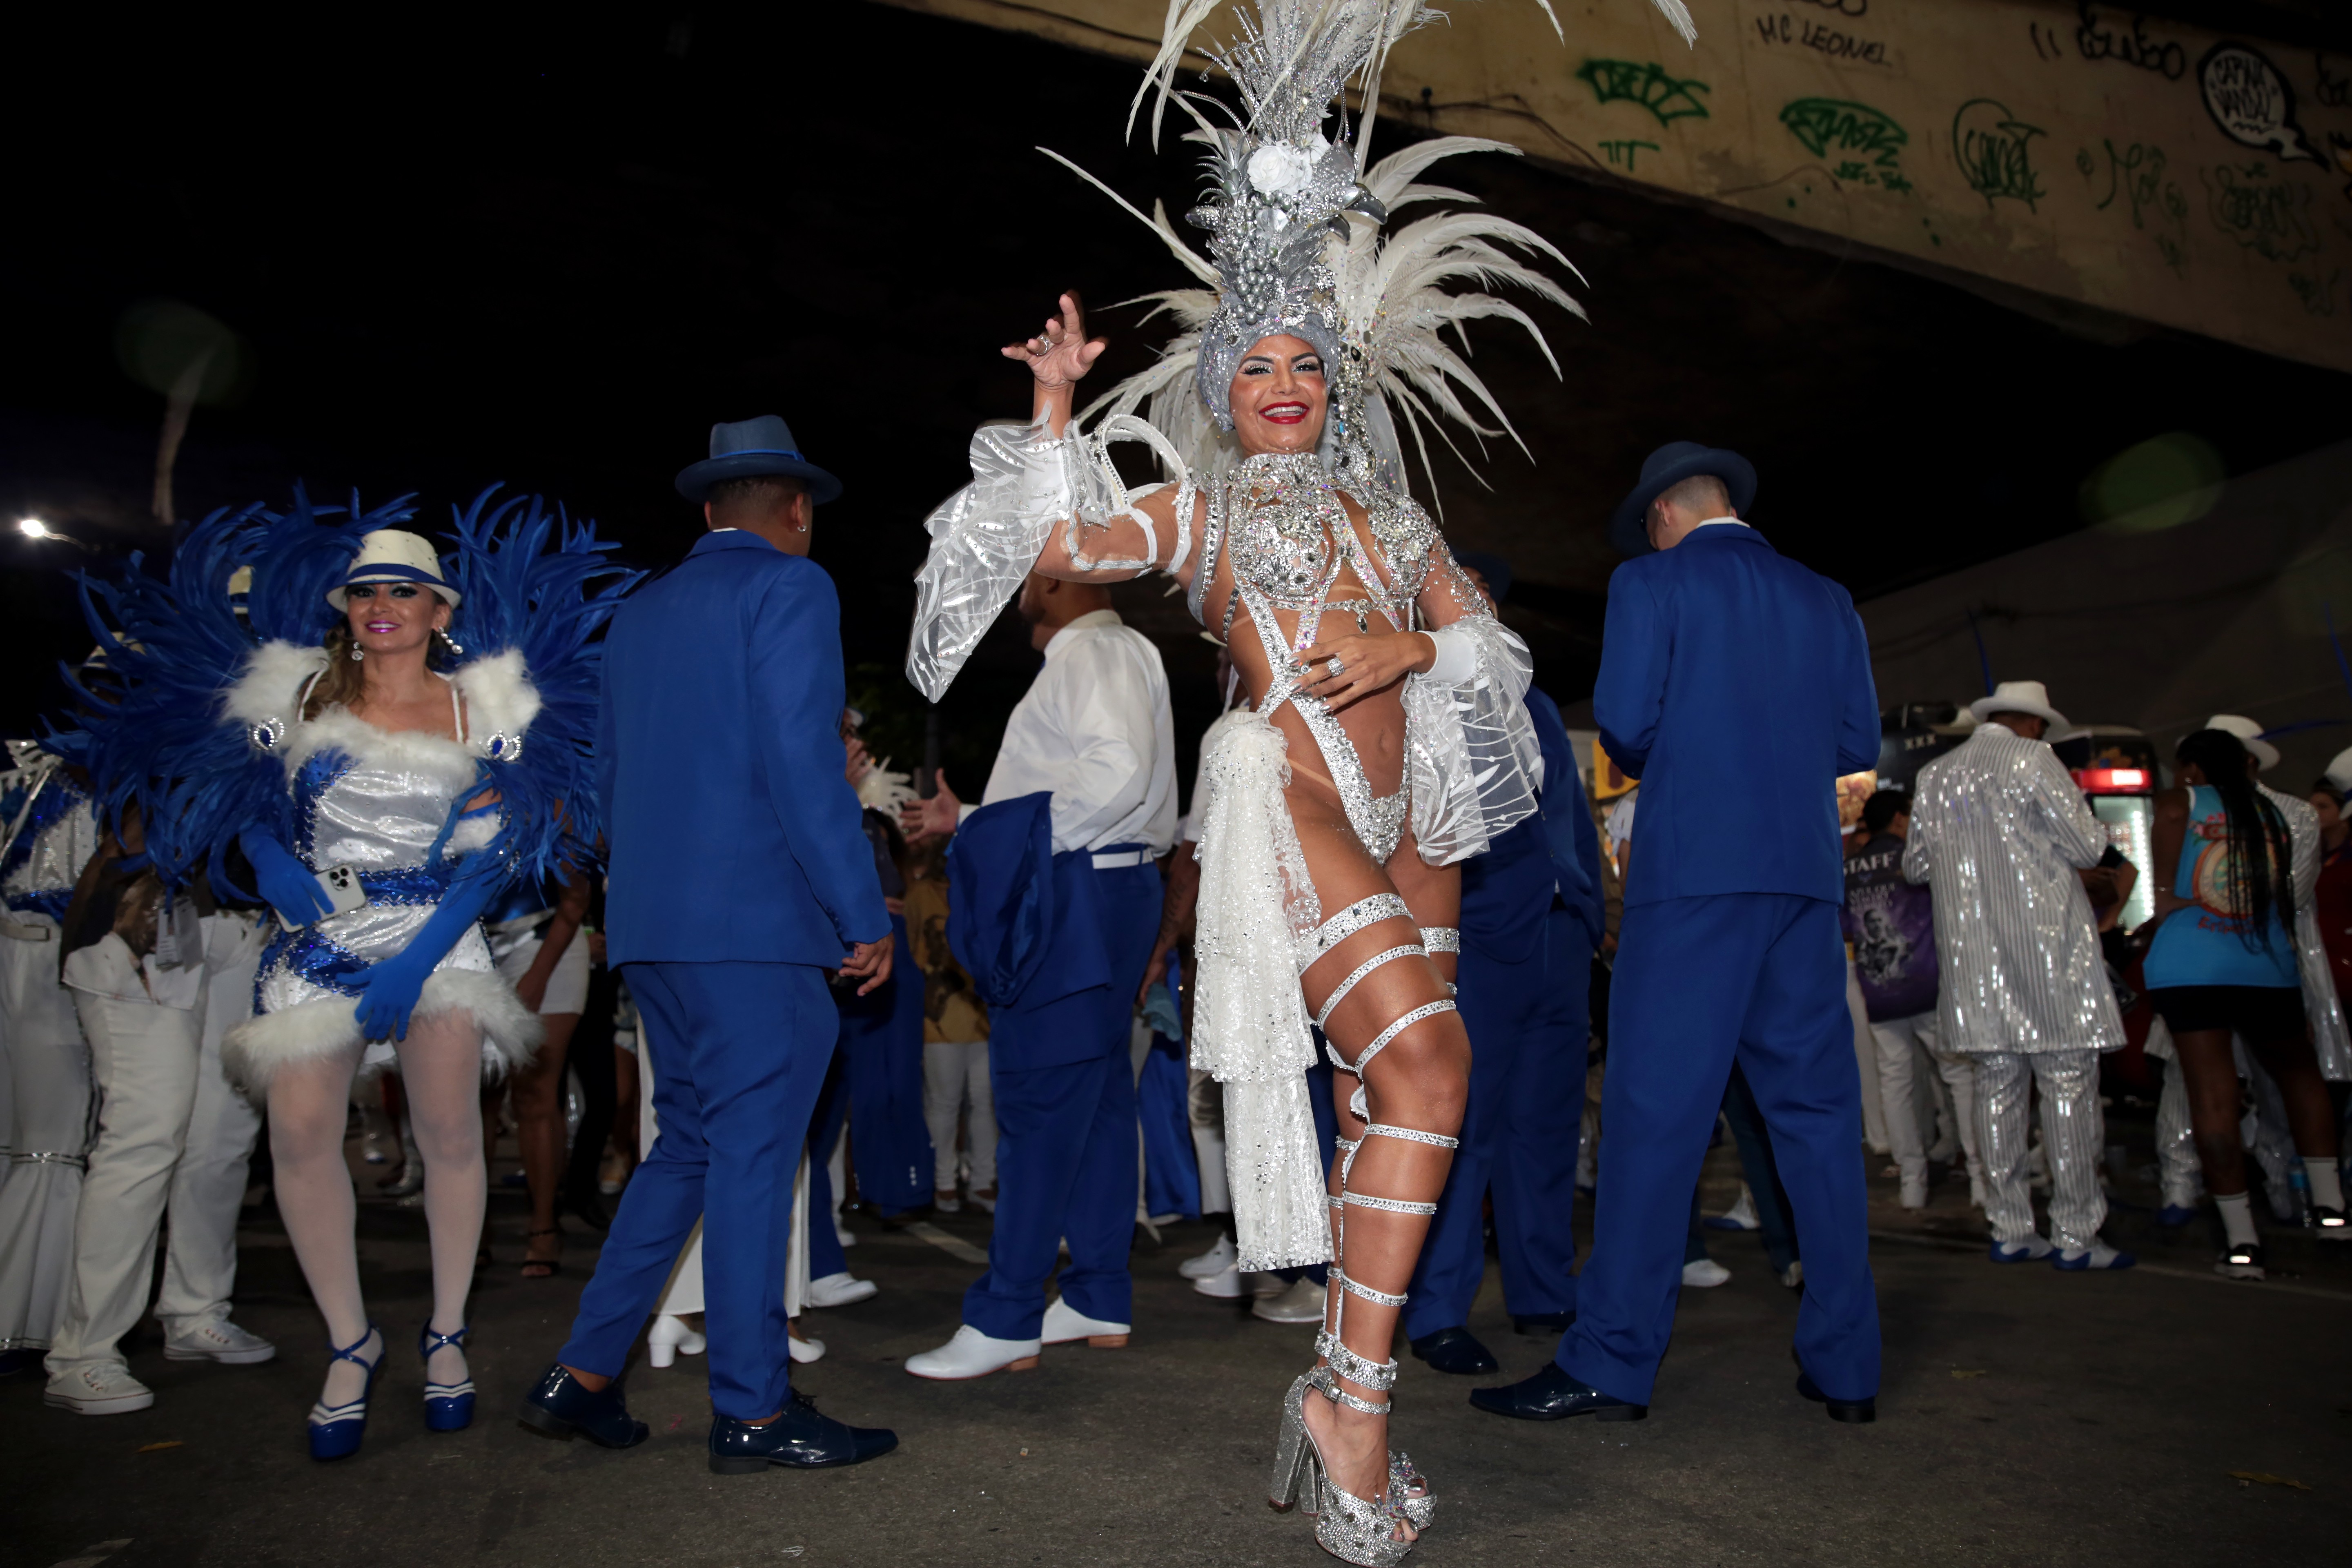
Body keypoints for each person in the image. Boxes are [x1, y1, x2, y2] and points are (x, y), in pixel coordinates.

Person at [902, 0, 1623, 1546]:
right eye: (1254, 365)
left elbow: (1489, 648)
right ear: (1220, 392)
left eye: (1302, 361)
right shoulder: (1204, 510)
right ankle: (1346, 1411)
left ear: (1331, 382)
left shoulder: (1401, 523)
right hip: (1287, 797)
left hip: (1416, 811)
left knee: (1388, 1099)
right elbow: (1073, 546)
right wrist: (1048, 415)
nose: (1279, 380)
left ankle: (1335, 1379)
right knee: (1438, 1067)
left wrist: (1417, 655)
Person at [64, 491, 628, 1457]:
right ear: (344, 606)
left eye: (403, 591)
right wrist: (271, 862)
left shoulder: (482, 707)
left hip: (436, 933)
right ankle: (348, 1340)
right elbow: (237, 792)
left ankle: (446, 1333)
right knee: (297, 1136)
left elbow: (499, 848)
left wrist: (419, 956)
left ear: (438, 610)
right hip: (313, 931)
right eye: (365, 590)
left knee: (452, 1132)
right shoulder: (294, 702)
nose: (381, 605)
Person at [1473, 440, 1883, 1431]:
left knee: (1654, 1118)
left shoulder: (1651, 581)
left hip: (1694, 874)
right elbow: (1854, 744)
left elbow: (1621, 721)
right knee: (1816, 1118)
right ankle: (1846, 1363)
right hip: (1798, 878)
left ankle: (1612, 1361)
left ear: (1662, 514)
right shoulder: (1825, 595)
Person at [520, 414, 898, 1474]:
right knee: (750, 1163)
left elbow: (601, 785)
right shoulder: (791, 587)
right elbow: (802, 765)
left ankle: (584, 1375)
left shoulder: (639, 614)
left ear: (706, 511)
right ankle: (754, 1407)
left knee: (682, 1150)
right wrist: (860, 911)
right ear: (798, 510)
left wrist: (616, 912)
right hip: (754, 931)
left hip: (653, 929)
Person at [896, 563, 1175, 1380]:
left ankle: (1009, 1312)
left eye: (1031, 568)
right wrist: (975, 819)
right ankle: (1095, 1295)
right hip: (1107, 885)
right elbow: (1095, 788)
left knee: (1038, 1104)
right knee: (1091, 1107)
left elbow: (1112, 778)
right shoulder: (1117, 654)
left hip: (1082, 892)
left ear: (1057, 581)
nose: (1020, 581)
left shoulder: (1097, 655)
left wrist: (998, 839)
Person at [1401, 552, 1604, 1376]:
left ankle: (1542, 1288)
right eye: (1465, 590)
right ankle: (1437, 1310)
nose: (1480, 601)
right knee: (1464, 1127)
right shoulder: (1422, 705)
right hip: (1479, 937)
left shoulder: (1541, 704)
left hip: (1559, 938)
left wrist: (1592, 912)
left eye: (1486, 594)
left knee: (1548, 1124)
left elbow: (1572, 819)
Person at [40, 821, 277, 1416]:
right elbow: (135, 813)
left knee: (222, 1136)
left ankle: (197, 1311)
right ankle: (83, 1353)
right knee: (146, 1136)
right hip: (144, 919)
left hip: (244, 926)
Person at [1902, 680, 2136, 1271]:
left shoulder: (1936, 775)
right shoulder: (2035, 759)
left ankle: (2010, 1227)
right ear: (2033, 723)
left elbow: (1916, 865)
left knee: (1997, 1088)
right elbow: (2086, 848)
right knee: (2068, 1085)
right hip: (2049, 952)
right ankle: (2078, 1234)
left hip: (1974, 960)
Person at [2143, 728, 2347, 1278]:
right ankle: (2332, 1206)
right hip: (2265, 962)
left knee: (2213, 1096)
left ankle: (2242, 1244)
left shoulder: (2179, 801)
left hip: (2189, 964)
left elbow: (2164, 864)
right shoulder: (2279, 814)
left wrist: (2168, 897)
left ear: (2191, 769)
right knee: (2299, 1074)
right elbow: (2289, 895)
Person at [0, 748, 101, 1379]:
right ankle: (28, 1321)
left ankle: (33, 1316)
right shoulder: (32, 770)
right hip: (32, 961)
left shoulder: (95, 771)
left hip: (48, 963)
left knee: (49, 1143)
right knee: (41, 1141)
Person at [1842, 789, 1983, 1209]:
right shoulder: (1917, 860)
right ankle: (1980, 1178)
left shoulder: (1850, 869)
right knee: (1959, 1078)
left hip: (1880, 993)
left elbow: (1846, 928)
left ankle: (1912, 1183)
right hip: (1929, 985)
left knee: (1896, 1084)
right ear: (1901, 820)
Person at [486, 866, 592, 1278]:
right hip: (465, 944)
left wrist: (537, 976)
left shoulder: (548, 800)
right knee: (477, 1095)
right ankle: (473, 1229)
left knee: (535, 1094)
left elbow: (575, 899)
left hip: (546, 940)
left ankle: (544, 1226)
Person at [904, 841, 995, 1214]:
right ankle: (943, 1182)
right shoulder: (921, 895)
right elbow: (910, 949)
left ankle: (983, 1180)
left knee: (985, 1103)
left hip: (984, 1017)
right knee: (944, 1103)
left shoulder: (985, 895)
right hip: (937, 1019)